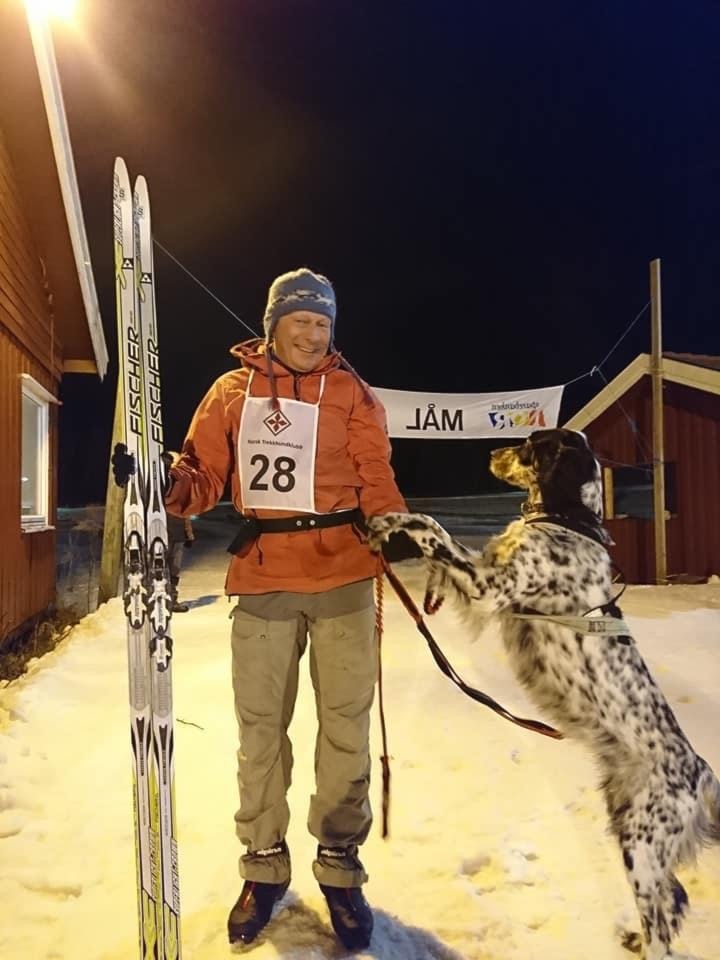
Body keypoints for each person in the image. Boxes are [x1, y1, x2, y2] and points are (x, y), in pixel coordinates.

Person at [163, 268, 407, 950]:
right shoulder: (231, 392)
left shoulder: (352, 392)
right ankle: (264, 865)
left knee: (345, 730)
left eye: (323, 323)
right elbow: (202, 478)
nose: (313, 334)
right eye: (301, 321)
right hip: (265, 575)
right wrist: (167, 483)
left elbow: (377, 474)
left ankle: (339, 865)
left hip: (345, 576)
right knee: (261, 732)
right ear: (273, 326)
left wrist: (396, 527)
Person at [165, 512, 194, 613]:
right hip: (162, 536)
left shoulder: (180, 502)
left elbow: (186, 513)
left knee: (174, 570)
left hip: (178, 536)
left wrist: (189, 534)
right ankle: (161, 600)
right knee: (160, 568)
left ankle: (172, 600)